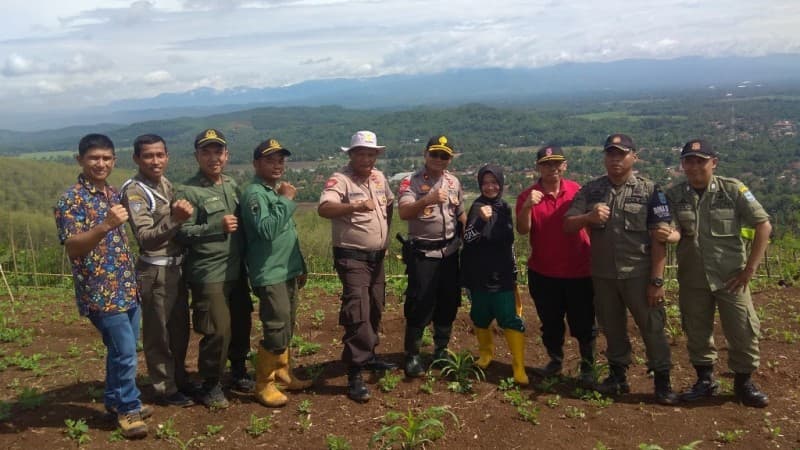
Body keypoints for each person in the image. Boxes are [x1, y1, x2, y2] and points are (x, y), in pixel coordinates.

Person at [564, 133, 678, 405]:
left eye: (621, 154)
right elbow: (567, 225)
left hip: (639, 274)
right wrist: (588, 217)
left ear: (634, 157)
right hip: (603, 276)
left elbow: (660, 238)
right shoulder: (591, 190)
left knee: (652, 328)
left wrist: (657, 280)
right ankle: (618, 377)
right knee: (612, 327)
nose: (615, 159)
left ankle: (662, 381)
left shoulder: (651, 191)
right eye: (610, 153)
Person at [54, 133, 150, 438]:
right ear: (80, 160)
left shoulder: (110, 193)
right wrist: (106, 225)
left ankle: (115, 399)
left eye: (106, 158)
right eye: (94, 158)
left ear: (114, 161)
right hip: (100, 292)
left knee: (122, 349)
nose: (101, 163)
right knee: (124, 351)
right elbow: (73, 247)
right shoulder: (71, 200)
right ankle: (127, 409)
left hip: (126, 286)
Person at [665, 139, 771, 407]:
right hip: (693, 277)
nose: (694, 166)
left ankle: (743, 383)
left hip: (731, 276)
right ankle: (705, 380)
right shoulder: (675, 195)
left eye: (700, 160)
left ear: (714, 162)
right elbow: (674, 228)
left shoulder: (732, 189)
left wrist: (750, 270)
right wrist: (672, 234)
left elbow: (763, 225)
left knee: (742, 329)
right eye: (689, 160)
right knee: (696, 329)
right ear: (683, 165)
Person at [175, 129, 254, 409]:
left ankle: (239, 370)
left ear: (227, 155)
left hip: (236, 270)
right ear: (197, 156)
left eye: (218, 151)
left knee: (241, 323)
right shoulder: (188, 191)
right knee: (217, 330)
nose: (213, 157)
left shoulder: (232, 185)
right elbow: (180, 233)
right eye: (206, 152)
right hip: (209, 273)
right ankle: (210, 384)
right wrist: (214, 227)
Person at [318, 131, 396, 403]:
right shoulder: (341, 179)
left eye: (371, 153)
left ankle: (370, 356)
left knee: (375, 305)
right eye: (361, 153)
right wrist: (354, 206)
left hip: (376, 256)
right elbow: (325, 208)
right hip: (352, 257)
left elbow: (389, 205)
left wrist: (383, 236)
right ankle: (354, 372)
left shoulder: (379, 178)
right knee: (358, 310)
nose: (366, 158)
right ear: (350, 155)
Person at [120, 134, 194, 408]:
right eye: (148, 156)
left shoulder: (164, 183)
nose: (155, 160)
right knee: (158, 333)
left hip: (176, 269)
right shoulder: (135, 191)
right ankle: (165, 387)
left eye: (160, 155)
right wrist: (176, 219)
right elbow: (145, 237)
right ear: (137, 159)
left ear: (167, 156)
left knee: (179, 330)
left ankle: (179, 377)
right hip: (155, 271)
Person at [515, 145, 596, 386]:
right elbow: (522, 230)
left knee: (584, 322)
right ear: (538, 167)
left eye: (556, 163)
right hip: (544, 272)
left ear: (565, 165)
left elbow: (591, 224)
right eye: (546, 164)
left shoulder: (577, 191)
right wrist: (528, 205)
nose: (552, 168)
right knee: (550, 322)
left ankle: (588, 365)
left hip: (580, 270)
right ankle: (555, 360)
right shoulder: (527, 195)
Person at [241, 138, 313, 407]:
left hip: (286, 270)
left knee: (288, 323)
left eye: (280, 160)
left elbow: (286, 235)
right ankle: (264, 383)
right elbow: (268, 230)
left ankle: (282, 371)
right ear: (256, 163)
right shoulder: (255, 194)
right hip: (270, 273)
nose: (277, 164)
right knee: (276, 327)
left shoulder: (272, 191)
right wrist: (286, 199)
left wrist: (299, 266)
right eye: (270, 160)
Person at [398, 135, 466, 378]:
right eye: (435, 154)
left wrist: (471, 236)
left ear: (450, 159)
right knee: (420, 304)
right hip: (424, 254)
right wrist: (427, 199)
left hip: (449, 252)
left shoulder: (454, 182)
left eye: (444, 155)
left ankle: (440, 349)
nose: (439, 159)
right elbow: (404, 212)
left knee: (448, 302)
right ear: (425, 154)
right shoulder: (411, 182)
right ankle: (413, 354)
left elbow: (460, 214)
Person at [462, 164, 528, 385]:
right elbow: (468, 239)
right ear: (480, 185)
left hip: (503, 276)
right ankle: (486, 354)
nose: (490, 187)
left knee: (510, 318)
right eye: (485, 183)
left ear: (500, 183)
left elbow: (509, 242)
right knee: (480, 316)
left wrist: (514, 268)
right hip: (479, 275)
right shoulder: (477, 207)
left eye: (494, 182)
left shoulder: (505, 207)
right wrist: (480, 220)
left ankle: (518, 367)